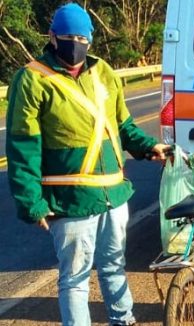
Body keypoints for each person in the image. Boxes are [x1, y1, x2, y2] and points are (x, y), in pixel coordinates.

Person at [5, 3, 169, 326]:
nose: (76, 44)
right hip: (71, 202)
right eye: (68, 37)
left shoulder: (104, 72)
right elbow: (23, 147)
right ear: (52, 37)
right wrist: (31, 204)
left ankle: (123, 320)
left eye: (83, 38)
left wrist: (150, 146)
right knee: (75, 279)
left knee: (113, 265)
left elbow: (123, 126)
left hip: (113, 195)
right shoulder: (32, 80)